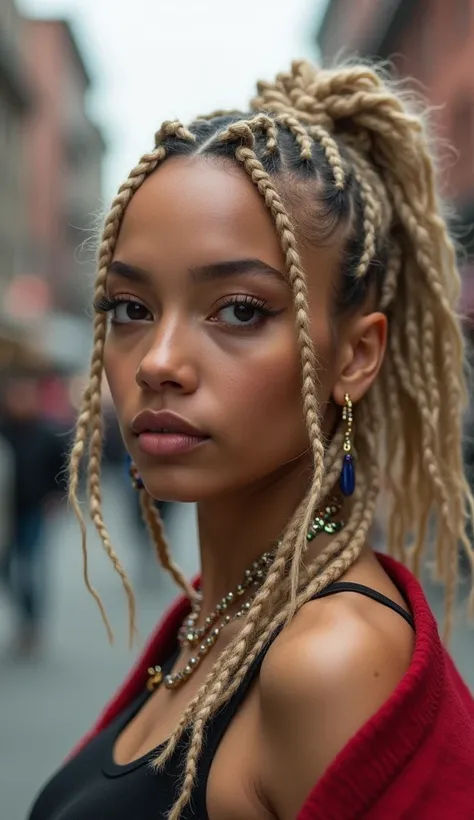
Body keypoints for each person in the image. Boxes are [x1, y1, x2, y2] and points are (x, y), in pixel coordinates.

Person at [28, 60, 474, 820]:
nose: (159, 362)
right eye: (131, 307)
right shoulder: (221, 616)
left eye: (238, 311)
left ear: (356, 355)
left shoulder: (330, 661)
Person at [0, 374, 67, 655]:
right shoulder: (5, 432)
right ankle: (24, 617)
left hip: (32, 511)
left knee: (29, 568)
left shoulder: (47, 434)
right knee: (7, 571)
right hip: (5, 514)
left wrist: (56, 496)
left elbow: (63, 469)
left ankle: (32, 623)